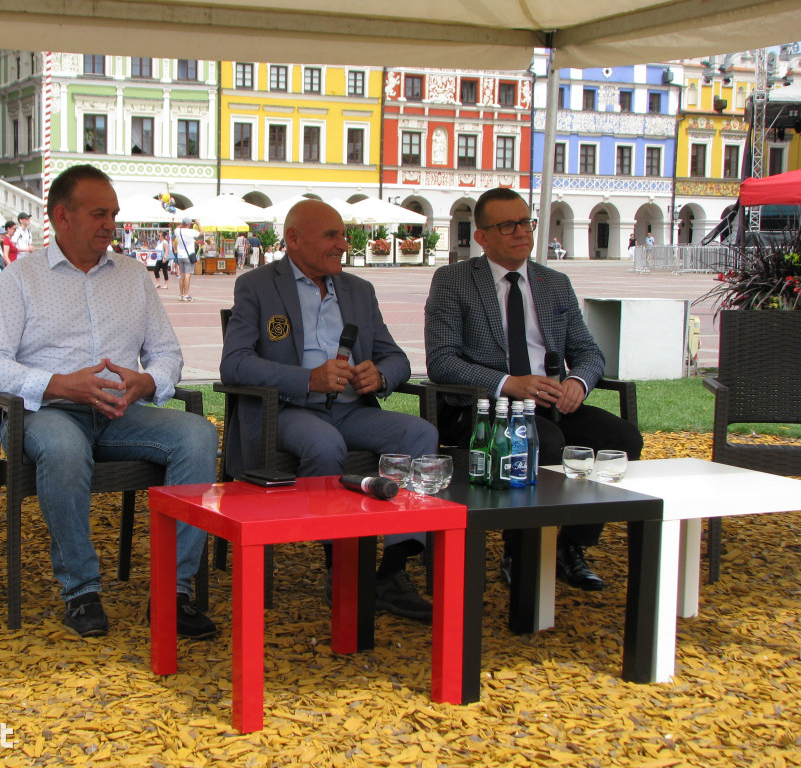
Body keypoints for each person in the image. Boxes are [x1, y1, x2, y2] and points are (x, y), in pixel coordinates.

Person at [0, 164, 218, 639]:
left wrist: (147, 383)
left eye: (114, 214)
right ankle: (81, 590)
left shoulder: (132, 275)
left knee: (198, 434)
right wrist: (61, 384)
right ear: (62, 217)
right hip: (46, 413)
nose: (111, 224)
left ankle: (174, 593)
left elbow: (167, 353)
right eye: (99, 213)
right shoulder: (21, 277)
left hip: (122, 412)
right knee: (65, 449)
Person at [220, 199, 439, 622]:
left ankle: (393, 570)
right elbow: (235, 364)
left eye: (343, 234)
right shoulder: (259, 286)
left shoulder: (359, 290)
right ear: (294, 239)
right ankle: (339, 568)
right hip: (287, 410)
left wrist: (380, 375)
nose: (343, 243)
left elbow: (396, 358)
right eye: (331, 236)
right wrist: (307, 379)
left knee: (420, 435)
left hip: (353, 409)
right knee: (325, 443)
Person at [424, 187, 642, 592]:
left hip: (553, 402)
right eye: (508, 225)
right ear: (483, 236)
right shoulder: (453, 281)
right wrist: (508, 384)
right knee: (549, 442)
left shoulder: (553, 282)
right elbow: (441, 361)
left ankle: (570, 544)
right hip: (485, 408)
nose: (521, 232)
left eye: (525, 222)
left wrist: (578, 382)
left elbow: (590, 352)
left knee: (622, 439)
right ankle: (519, 549)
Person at [173, 217, 201, 302]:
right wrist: (198, 224)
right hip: (188, 256)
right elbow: (201, 234)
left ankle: (181, 294)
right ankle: (186, 294)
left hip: (180, 256)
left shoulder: (178, 231)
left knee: (182, 275)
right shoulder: (191, 232)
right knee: (187, 275)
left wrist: (182, 223)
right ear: (189, 224)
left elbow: (176, 228)